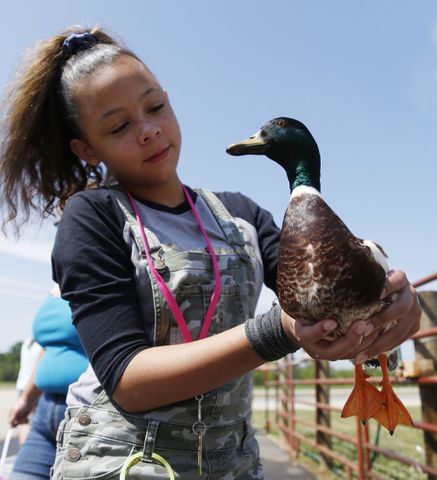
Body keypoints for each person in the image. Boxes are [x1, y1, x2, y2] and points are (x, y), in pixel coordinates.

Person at [0, 25, 421, 479]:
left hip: (230, 464)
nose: (148, 130)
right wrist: (277, 333)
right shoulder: (93, 217)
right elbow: (126, 380)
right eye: (120, 125)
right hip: (122, 461)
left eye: (156, 107)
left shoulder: (242, 216)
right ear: (86, 148)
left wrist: (389, 310)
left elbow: (319, 307)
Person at [8, 285, 88, 480]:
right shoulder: (59, 280)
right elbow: (51, 347)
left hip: (87, 411)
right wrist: (27, 399)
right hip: (45, 411)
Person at [14, 337, 43, 445]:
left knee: (25, 423)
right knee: (36, 423)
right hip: (34, 387)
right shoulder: (41, 346)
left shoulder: (27, 343)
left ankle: (24, 449)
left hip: (21, 386)